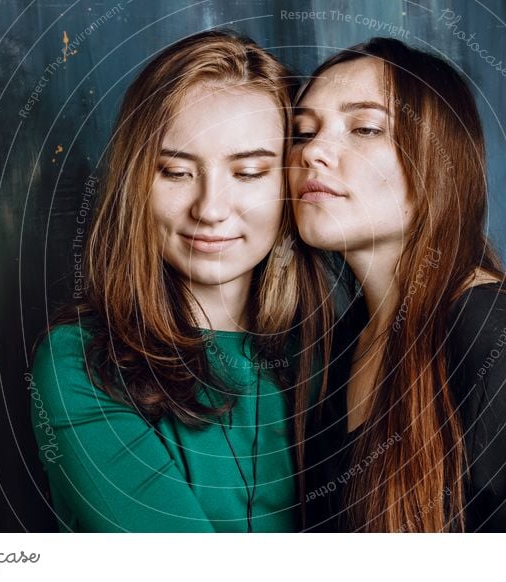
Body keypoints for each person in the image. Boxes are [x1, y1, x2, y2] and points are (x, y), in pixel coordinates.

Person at [289, 37, 506, 532]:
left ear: (439, 162)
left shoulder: (501, 349)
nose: (313, 151)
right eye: (302, 132)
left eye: (363, 128)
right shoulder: (347, 342)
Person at [29, 30, 332, 532]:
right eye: (175, 172)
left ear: (291, 183)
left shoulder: (330, 354)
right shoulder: (81, 363)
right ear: (136, 184)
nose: (210, 209)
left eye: (250, 172)